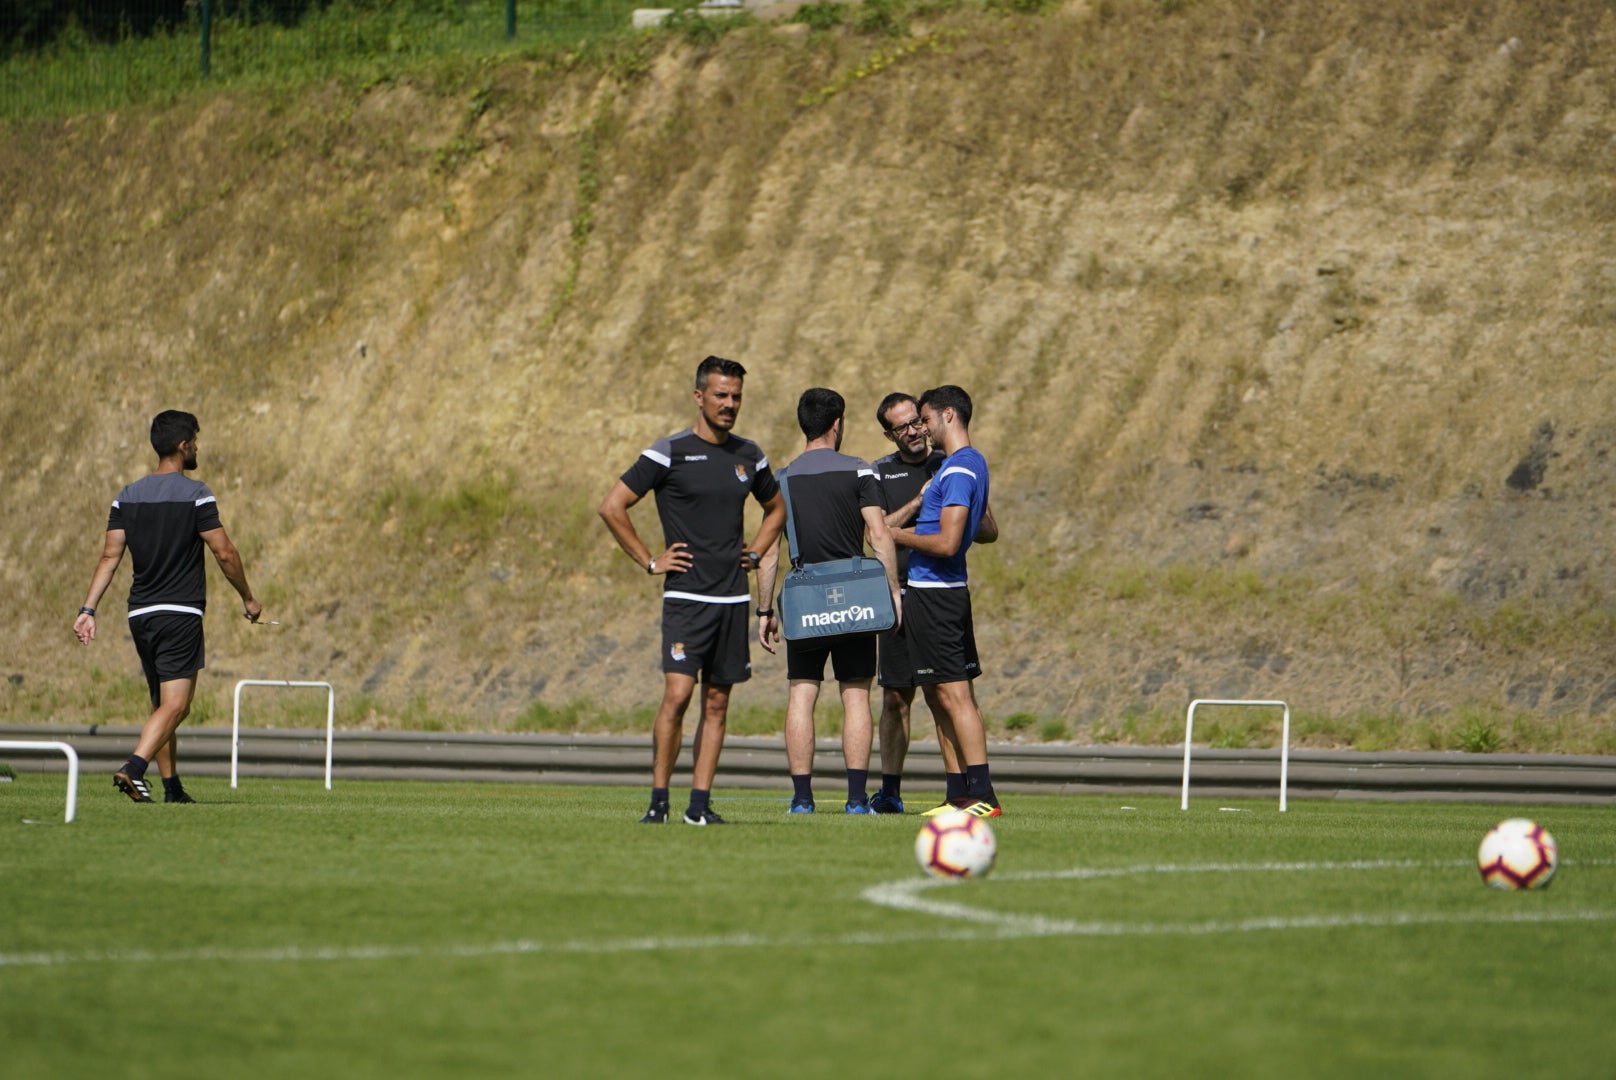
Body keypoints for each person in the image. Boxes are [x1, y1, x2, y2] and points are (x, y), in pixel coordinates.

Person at [598, 355, 785, 826]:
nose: (729, 404)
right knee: (678, 696)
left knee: (718, 703)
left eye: (736, 396)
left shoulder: (750, 455)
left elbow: (777, 509)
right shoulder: (669, 451)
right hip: (686, 599)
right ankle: (658, 802)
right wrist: (650, 560)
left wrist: (757, 553)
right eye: (721, 395)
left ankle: (698, 807)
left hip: (732, 600)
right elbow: (612, 506)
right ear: (699, 396)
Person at [72, 409, 263, 804]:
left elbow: (110, 556)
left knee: (162, 705)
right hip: (180, 612)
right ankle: (134, 767)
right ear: (182, 446)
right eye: (194, 438)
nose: (197, 445)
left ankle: (172, 789)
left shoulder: (127, 495)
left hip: (140, 614)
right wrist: (247, 596)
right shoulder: (196, 494)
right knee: (176, 705)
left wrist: (88, 610)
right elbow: (224, 552)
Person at [755, 388, 901, 814]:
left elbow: (767, 553)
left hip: (804, 598)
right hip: (856, 596)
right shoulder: (859, 472)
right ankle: (856, 800)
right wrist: (892, 591)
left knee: (802, 693)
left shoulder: (780, 480)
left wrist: (764, 610)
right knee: (855, 695)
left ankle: (802, 799)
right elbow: (878, 535)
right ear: (837, 423)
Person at [869, 392, 997, 814]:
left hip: (938, 595)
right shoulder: (958, 465)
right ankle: (959, 795)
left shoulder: (957, 466)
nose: (918, 429)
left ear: (947, 415)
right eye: (906, 425)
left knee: (956, 696)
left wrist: (893, 535)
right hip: (926, 594)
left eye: (922, 419)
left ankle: (982, 794)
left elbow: (946, 542)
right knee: (939, 695)